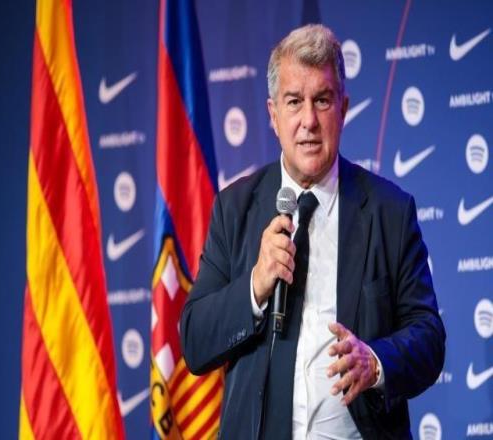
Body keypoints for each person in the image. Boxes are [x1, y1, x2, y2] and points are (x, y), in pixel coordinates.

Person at [180, 24, 445, 439]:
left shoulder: (389, 212)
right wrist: (255, 286)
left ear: (344, 108)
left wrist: (375, 361)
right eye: (294, 102)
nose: (308, 121)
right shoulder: (235, 209)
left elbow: (428, 338)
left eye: (322, 100)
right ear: (273, 115)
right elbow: (195, 342)